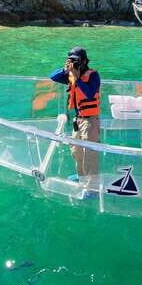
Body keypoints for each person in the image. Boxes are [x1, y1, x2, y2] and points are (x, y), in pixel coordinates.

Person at [49, 47, 101, 185]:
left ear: (84, 61)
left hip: (90, 121)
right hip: (78, 120)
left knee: (90, 154)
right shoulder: (70, 75)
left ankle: (92, 186)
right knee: (76, 151)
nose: (74, 63)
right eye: (71, 60)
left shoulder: (93, 75)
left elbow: (89, 93)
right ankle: (82, 177)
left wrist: (77, 79)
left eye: (76, 60)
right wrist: (66, 70)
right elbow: (53, 76)